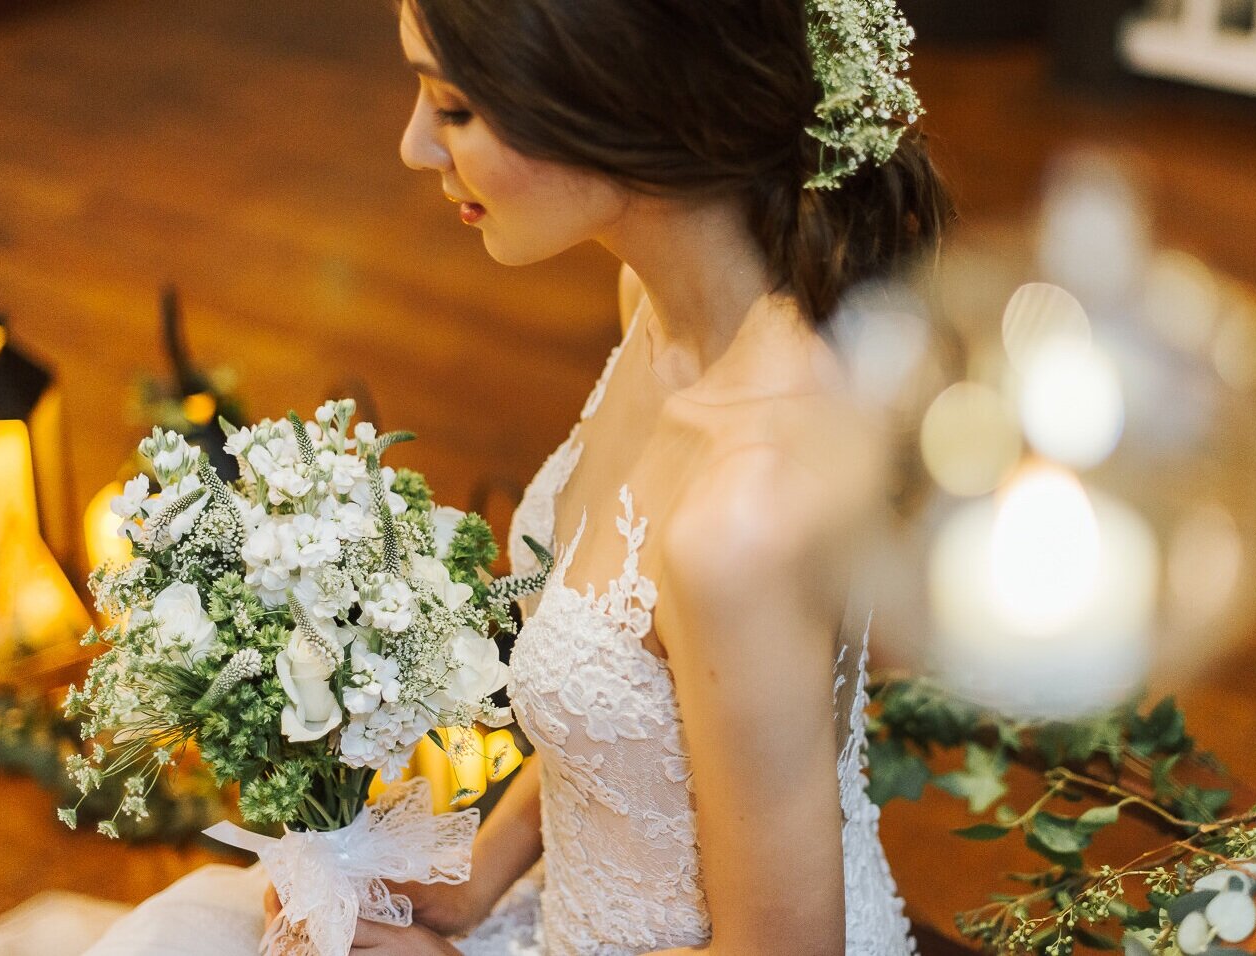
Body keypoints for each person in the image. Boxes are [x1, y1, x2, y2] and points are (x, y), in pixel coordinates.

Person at [84, 0, 954, 953]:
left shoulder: (744, 505)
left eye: (454, 106)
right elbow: (646, 723)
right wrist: (476, 871)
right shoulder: (653, 309)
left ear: (626, 103)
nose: (415, 144)